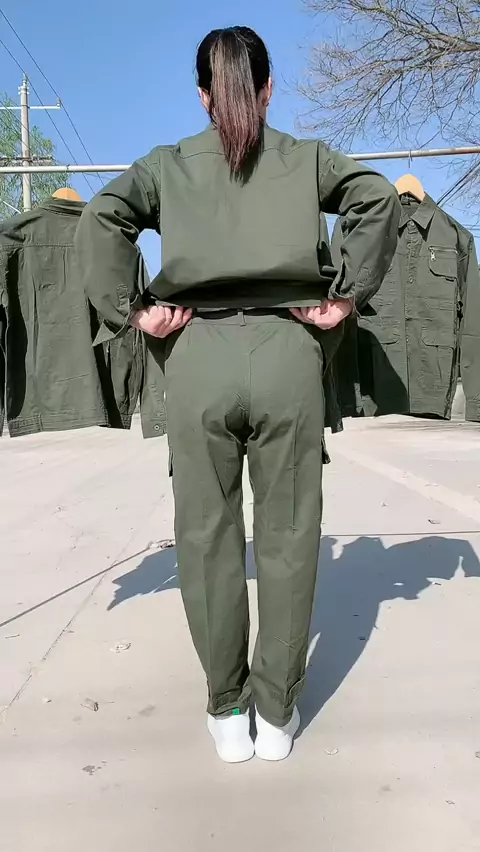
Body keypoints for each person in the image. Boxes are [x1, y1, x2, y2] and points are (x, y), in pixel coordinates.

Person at [76, 26, 400, 763]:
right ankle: (277, 713)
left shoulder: (167, 165)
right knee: (288, 533)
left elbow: (102, 216)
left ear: (202, 95)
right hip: (288, 352)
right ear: (269, 88)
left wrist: (135, 310)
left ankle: (228, 711)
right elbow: (376, 197)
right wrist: (344, 297)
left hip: (198, 355)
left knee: (207, 535)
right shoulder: (307, 159)